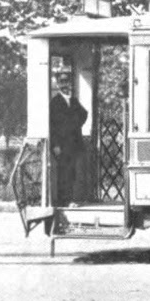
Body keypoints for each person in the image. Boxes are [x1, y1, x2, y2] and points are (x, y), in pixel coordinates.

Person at [50, 72, 88, 204]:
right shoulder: (54, 103)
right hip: (61, 144)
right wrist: (55, 145)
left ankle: (70, 199)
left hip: (74, 143)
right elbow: (52, 126)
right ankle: (64, 200)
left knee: (71, 172)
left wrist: (75, 125)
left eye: (67, 81)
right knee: (63, 172)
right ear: (58, 84)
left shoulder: (74, 101)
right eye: (62, 81)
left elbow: (84, 114)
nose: (65, 84)